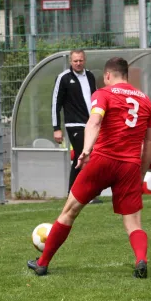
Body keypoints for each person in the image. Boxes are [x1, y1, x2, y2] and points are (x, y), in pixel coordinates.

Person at [28, 57, 151, 279]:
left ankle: (42, 263)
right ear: (126, 75)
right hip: (129, 166)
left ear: (107, 76)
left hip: (103, 160)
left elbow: (94, 122)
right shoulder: (145, 101)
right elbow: (150, 144)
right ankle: (140, 259)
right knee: (133, 222)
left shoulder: (103, 94)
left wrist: (85, 150)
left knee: (69, 211)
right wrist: (142, 172)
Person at [52, 49, 102, 203]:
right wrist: (56, 128)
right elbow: (55, 103)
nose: (78, 63)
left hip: (91, 124)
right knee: (83, 155)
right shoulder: (63, 78)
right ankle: (75, 194)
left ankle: (79, 193)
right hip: (74, 124)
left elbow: (95, 99)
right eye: (75, 61)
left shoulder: (91, 76)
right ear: (70, 62)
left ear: (84, 60)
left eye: (80, 60)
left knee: (88, 157)